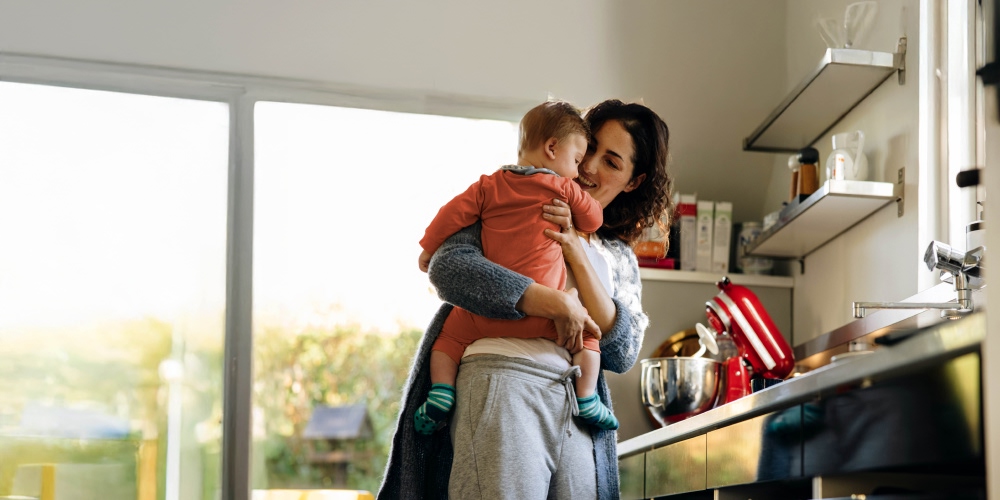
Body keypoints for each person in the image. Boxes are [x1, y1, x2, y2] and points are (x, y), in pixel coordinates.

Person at [379, 99, 672, 500]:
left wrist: (575, 251)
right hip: (501, 381)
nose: (589, 167)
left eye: (612, 162)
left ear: (632, 182)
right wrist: (554, 303)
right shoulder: (515, 196)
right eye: (591, 149)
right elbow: (447, 268)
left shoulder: (617, 256)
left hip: (576, 403)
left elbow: (622, 351)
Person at [413, 100, 618, 436]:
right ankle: (588, 398)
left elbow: (449, 215)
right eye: (577, 160)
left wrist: (428, 247)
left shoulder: (488, 186)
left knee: (447, 338)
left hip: (487, 317)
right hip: (547, 318)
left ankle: (441, 391)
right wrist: (577, 208)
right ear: (552, 148)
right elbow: (594, 219)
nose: (580, 171)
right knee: (589, 336)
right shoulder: (563, 188)